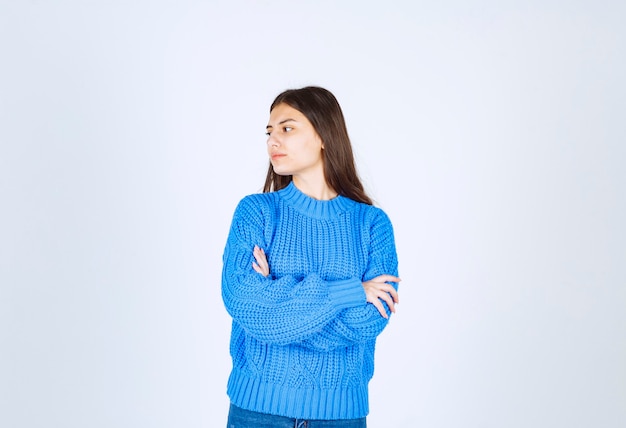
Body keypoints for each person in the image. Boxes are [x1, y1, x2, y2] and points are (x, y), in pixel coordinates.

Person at [222, 86, 400, 428]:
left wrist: (278, 307)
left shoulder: (372, 224)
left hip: (340, 417)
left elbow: (369, 320)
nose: (274, 140)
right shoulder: (256, 212)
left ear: (323, 135)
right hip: (257, 412)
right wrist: (350, 292)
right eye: (269, 131)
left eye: (287, 128)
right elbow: (244, 302)